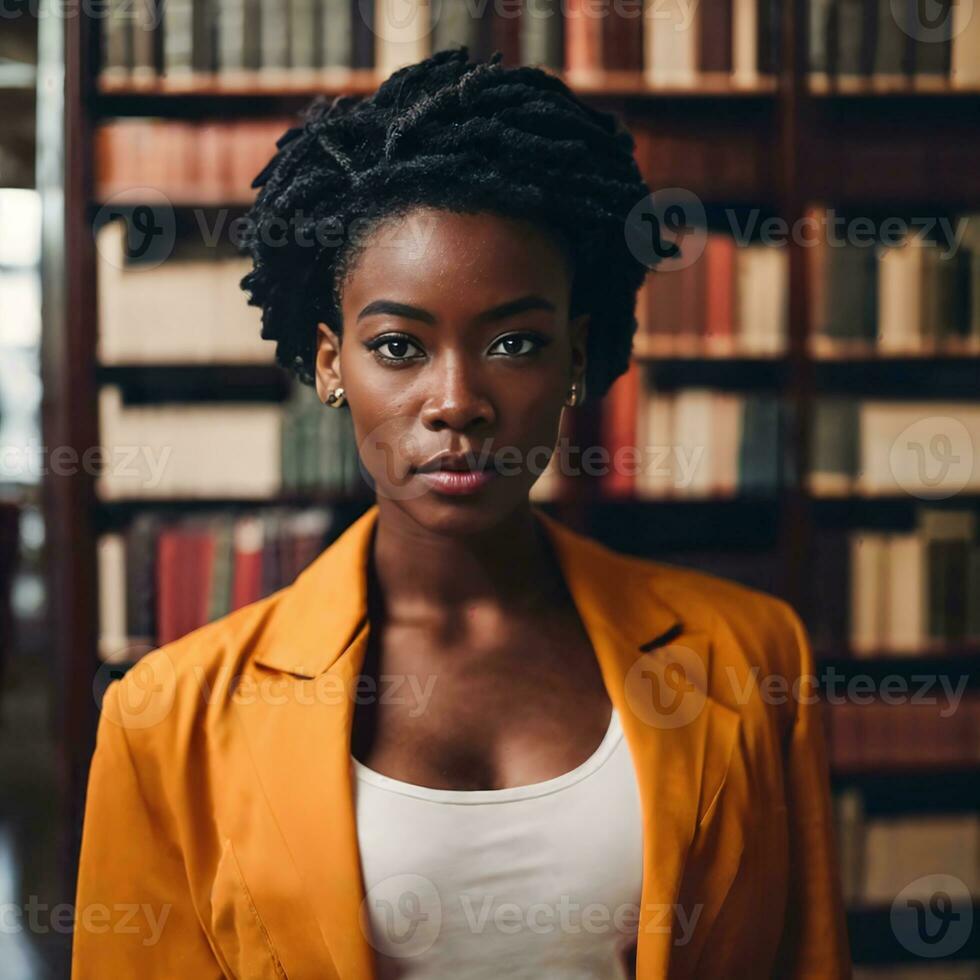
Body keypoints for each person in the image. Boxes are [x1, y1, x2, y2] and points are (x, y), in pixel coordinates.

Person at [71, 48, 851, 979]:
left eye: (515, 341)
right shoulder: (167, 718)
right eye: (399, 346)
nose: (457, 400)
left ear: (576, 357)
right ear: (330, 364)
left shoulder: (752, 657)